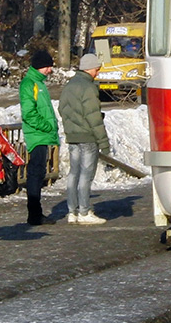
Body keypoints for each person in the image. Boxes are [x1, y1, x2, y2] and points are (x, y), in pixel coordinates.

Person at [58, 53, 111, 225]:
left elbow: (62, 109)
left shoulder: (69, 86)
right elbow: (94, 117)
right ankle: (84, 211)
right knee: (85, 175)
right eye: (97, 69)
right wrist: (103, 142)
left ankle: (72, 212)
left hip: (73, 136)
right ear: (91, 69)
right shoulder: (89, 88)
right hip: (88, 137)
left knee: (73, 174)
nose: (97, 73)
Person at [19, 48, 59, 225]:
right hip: (37, 136)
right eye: (47, 67)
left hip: (42, 135)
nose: (50, 70)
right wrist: (47, 126)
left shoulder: (39, 83)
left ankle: (36, 212)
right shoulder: (30, 84)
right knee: (35, 174)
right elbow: (29, 113)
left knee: (38, 173)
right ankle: (34, 213)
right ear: (39, 66)